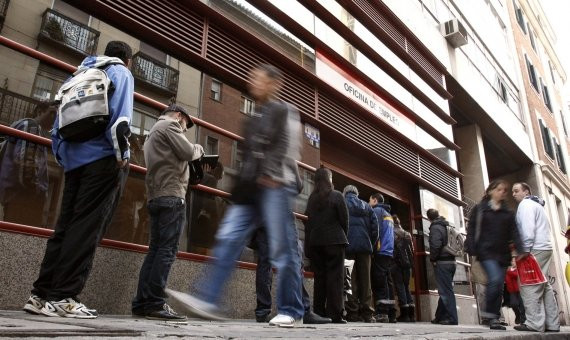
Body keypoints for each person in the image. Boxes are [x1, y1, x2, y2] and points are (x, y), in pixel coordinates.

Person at [166, 64, 305, 328]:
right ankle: (209, 299)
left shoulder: (283, 111)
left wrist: (273, 175)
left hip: (276, 185)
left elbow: (288, 146)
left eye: (259, 78)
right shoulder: (253, 118)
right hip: (250, 189)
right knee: (228, 239)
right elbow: (248, 156)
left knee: (282, 250)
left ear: (274, 83)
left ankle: (290, 308)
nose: (253, 81)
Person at [22, 41, 134, 318]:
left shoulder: (77, 74)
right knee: (85, 229)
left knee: (64, 227)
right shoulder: (121, 74)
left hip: (73, 162)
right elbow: (121, 122)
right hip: (102, 161)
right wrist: (122, 157)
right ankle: (64, 297)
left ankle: (40, 296)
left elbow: (58, 124)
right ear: (127, 59)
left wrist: (64, 158)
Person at [131, 104, 204, 320]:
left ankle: (142, 303)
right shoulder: (170, 125)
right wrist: (199, 148)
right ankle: (155, 303)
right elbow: (189, 152)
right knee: (167, 251)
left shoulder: (152, 131)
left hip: (155, 196)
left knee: (155, 250)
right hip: (172, 195)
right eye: (185, 125)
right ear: (180, 116)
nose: (184, 130)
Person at [464, 179, 523, 330]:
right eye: (499, 189)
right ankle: (491, 315)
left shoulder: (508, 212)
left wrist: (520, 250)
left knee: (498, 287)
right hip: (486, 252)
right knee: (495, 280)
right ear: (490, 191)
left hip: (503, 255)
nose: (502, 192)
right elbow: (471, 229)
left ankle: (493, 317)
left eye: (504, 190)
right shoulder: (480, 209)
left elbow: (514, 232)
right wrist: (471, 247)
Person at [251, 226, 331, 324]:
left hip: (262, 221)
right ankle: (303, 310)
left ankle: (262, 311)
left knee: (265, 263)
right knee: (294, 257)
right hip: (280, 218)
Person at [511, 182, 560, 332]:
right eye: (513, 192)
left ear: (526, 192)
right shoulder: (537, 205)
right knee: (544, 286)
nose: (513, 194)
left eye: (516, 191)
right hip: (544, 248)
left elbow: (527, 229)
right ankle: (552, 324)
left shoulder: (525, 205)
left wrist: (523, 251)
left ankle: (534, 323)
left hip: (534, 250)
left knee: (529, 286)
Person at [304, 167, 349, 324]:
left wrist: (308, 246)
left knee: (320, 279)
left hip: (316, 242)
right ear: (329, 180)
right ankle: (336, 314)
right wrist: (344, 237)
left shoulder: (311, 199)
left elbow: (307, 222)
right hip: (335, 241)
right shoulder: (337, 196)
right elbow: (345, 220)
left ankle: (319, 312)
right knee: (335, 278)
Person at [0, 102, 55, 226]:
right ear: (39, 111)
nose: (55, 118)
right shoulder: (31, 125)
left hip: (18, 198)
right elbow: (26, 163)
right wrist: (36, 195)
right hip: (24, 200)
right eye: (52, 113)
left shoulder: (34, 129)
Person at [343, 185, 379, 323]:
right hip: (365, 248)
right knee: (366, 281)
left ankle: (352, 313)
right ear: (357, 193)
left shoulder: (343, 203)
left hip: (347, 247)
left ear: (345, 193)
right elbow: (375, 229)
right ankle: (367, 313)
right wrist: (370, 242)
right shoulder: (367, 206)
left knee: (349, 280)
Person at [427, 208, 458, 325]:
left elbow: (435, 245)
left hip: (442, 262)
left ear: (429, 218)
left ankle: (452, 318)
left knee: (446, 291)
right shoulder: (446, 225)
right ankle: (439, 317)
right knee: (445, 290)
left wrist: (433, 259)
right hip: (452, 262)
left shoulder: (435, 227)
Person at [369, 193, 395, 323]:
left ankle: (382, 313)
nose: (369, 203)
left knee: (379, 282)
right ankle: (391, 313)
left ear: (375, 200)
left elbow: (375, 231)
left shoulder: (377, 211)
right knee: (387, 282)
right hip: (388, 252)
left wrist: (372, 249)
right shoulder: (388, 214)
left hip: (380, 251)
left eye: (370, 200)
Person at [390, 214, 415, 322]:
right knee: (406, 287)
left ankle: (404, 315)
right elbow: (411, 251)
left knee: (400, 287)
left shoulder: (392, 232)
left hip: (397, 264)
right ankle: (411, 315)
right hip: (407, 264)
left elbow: (392, 249)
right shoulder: (407, 234)